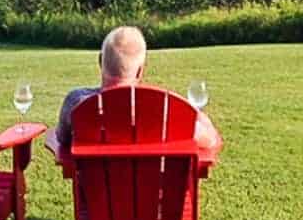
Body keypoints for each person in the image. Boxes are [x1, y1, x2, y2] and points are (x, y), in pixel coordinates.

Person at [51, 26, 220, 155]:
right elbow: (212, 140)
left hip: (96, 200)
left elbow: (62, 139)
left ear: (100, 61)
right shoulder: (167, 108)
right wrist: (197, 114)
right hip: (158, 200)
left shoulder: (76, 103)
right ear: (141, 70)